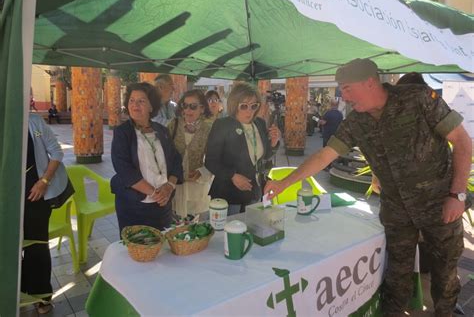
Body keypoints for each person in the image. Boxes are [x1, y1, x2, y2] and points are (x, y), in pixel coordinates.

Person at [265, 58, 471, 316]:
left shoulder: (419, 99)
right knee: (397, 275)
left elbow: (463, 143)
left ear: (370, 82)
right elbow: (322, 157)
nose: (343, 95)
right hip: (397, 211)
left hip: (439, 204)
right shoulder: (356, 121)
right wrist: (284, 183)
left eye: (348, 88)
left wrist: (457, 194)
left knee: (445, 273)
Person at [111, 82, 183, 233]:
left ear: (151, 106)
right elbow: (124, 169)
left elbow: (176, 160)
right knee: (137, 250)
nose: (135, 105)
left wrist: (169, 187)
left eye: (141, 101)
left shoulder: (162, 131)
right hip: (134, 206)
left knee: (162, 248)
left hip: (162, 205)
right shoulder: (123, 133)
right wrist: (154, 193)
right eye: (132, 100)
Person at [205, 83, 280, 215]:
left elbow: (264, 156)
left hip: (256, 192)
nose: (249, 111)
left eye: (254, 106)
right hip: (229, 195)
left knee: (254, 231)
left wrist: (273, 143)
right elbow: (210, 161)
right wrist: (232, 175)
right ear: (235, 105)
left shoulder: (260, 123)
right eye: (244, 106)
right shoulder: (223, 125)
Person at [23, 114, 69, 314]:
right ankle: (17, 290)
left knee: (36, 246)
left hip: (35, 194)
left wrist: (44, 182)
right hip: (7, 199)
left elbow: (57, 153)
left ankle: (41, 296)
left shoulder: (33, 121)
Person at [168, 90, 214, 220]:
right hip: (176, 185)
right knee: (176, 228)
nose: (188, 110)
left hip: (197, 188)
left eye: (193, 106)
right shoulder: (173, 125)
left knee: (195, 229)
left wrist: (202, 172)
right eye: (185, 105)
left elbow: (215, 158)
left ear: (202, 108)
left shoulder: (208, 129)